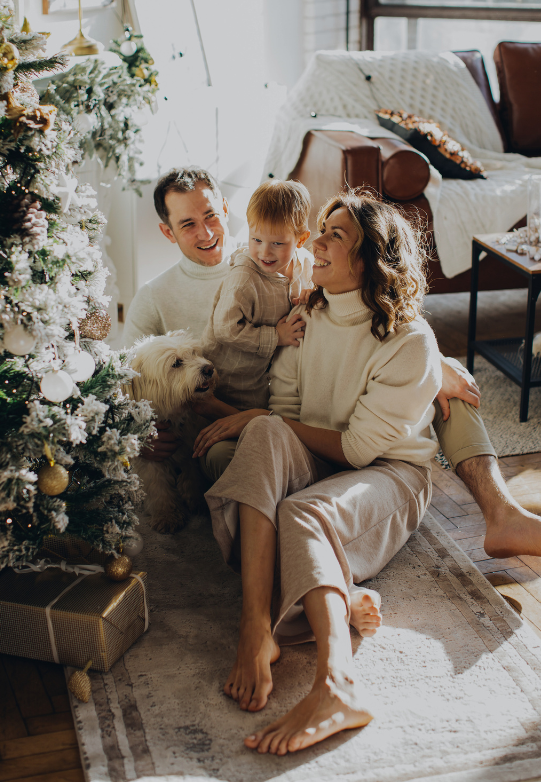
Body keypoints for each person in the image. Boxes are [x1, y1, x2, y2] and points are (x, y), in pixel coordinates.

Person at [123, 165, 541, 560]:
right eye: (188, 224)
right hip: (243, 412)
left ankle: (501, 513)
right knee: (225, 457)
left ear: (228, 212)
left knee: (450, 379)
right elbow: (126, 385)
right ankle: (312, 522)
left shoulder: (272, 246)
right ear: (167, 231)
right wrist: (140, 434)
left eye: (211, 215)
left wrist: (431, 358)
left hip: (297, 399)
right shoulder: (154, 297)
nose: (206, 231)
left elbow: (365, 296)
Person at [193, 191, 441, 753]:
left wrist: (263, 420)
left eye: (336, 235)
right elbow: (286, 412)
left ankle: (339, 684)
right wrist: (260, 420)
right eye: (320, 229)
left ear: (369, 259)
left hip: (391, 472)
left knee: (299, 510)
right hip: (325, 455)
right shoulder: (309, 316)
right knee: (263, 432)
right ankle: (257, 626)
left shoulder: (409, 341)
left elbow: (357, 449)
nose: (315, 242)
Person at [201, 178, 313, 410]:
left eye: (278, 243)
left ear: (301, 239)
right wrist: (276, 336)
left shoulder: (306, 263)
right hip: (233, 379)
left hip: (270, 376)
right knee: (242, 425)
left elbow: (320, 286)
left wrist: (314, 293)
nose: (265, 251)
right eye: (257, 239)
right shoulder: (244, 276)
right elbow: (225, 328)